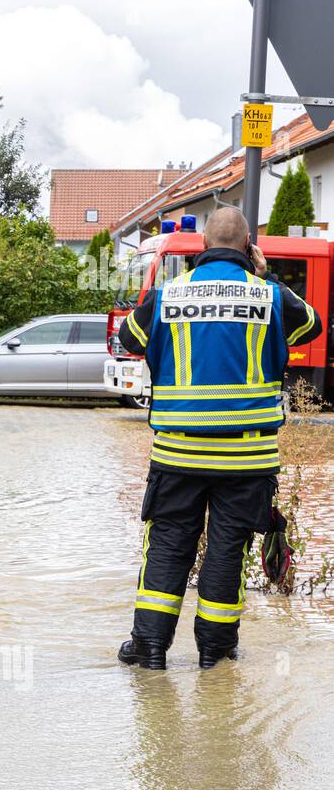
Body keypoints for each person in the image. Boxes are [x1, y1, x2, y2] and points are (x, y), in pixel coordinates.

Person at [115, 207, 322, 670]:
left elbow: (130, 339)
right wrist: (263, 275)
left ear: (202, 247)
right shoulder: (268, 294)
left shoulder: (170, 295)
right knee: (228, 550)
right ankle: (216, 653)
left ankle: (149, 649)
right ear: (249, 247)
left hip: (178, 451)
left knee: (168, 545)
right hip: (247, 458)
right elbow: (313, 325)